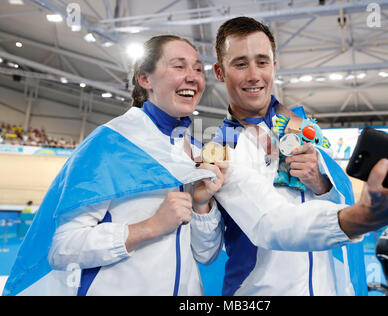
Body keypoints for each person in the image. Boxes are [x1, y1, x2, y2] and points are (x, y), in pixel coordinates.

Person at [211, 16, 388, 296]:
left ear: (274, 65)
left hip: (329, 287)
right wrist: (363, 217)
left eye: (262, 61)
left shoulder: (302, 125)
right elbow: (270, 224)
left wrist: (322, 184)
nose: (254, 75)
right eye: (240, 64)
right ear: (220, 72)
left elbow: (337, 197)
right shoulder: (219, 148)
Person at [3, 35, 225, 296]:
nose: (193, 77)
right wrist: (150, 227)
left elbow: (207, 254)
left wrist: (201, 206)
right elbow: (62, 249)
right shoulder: (108, 143)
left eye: (198, 69)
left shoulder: (197, 154)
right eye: (179, 66)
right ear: (145, 79)